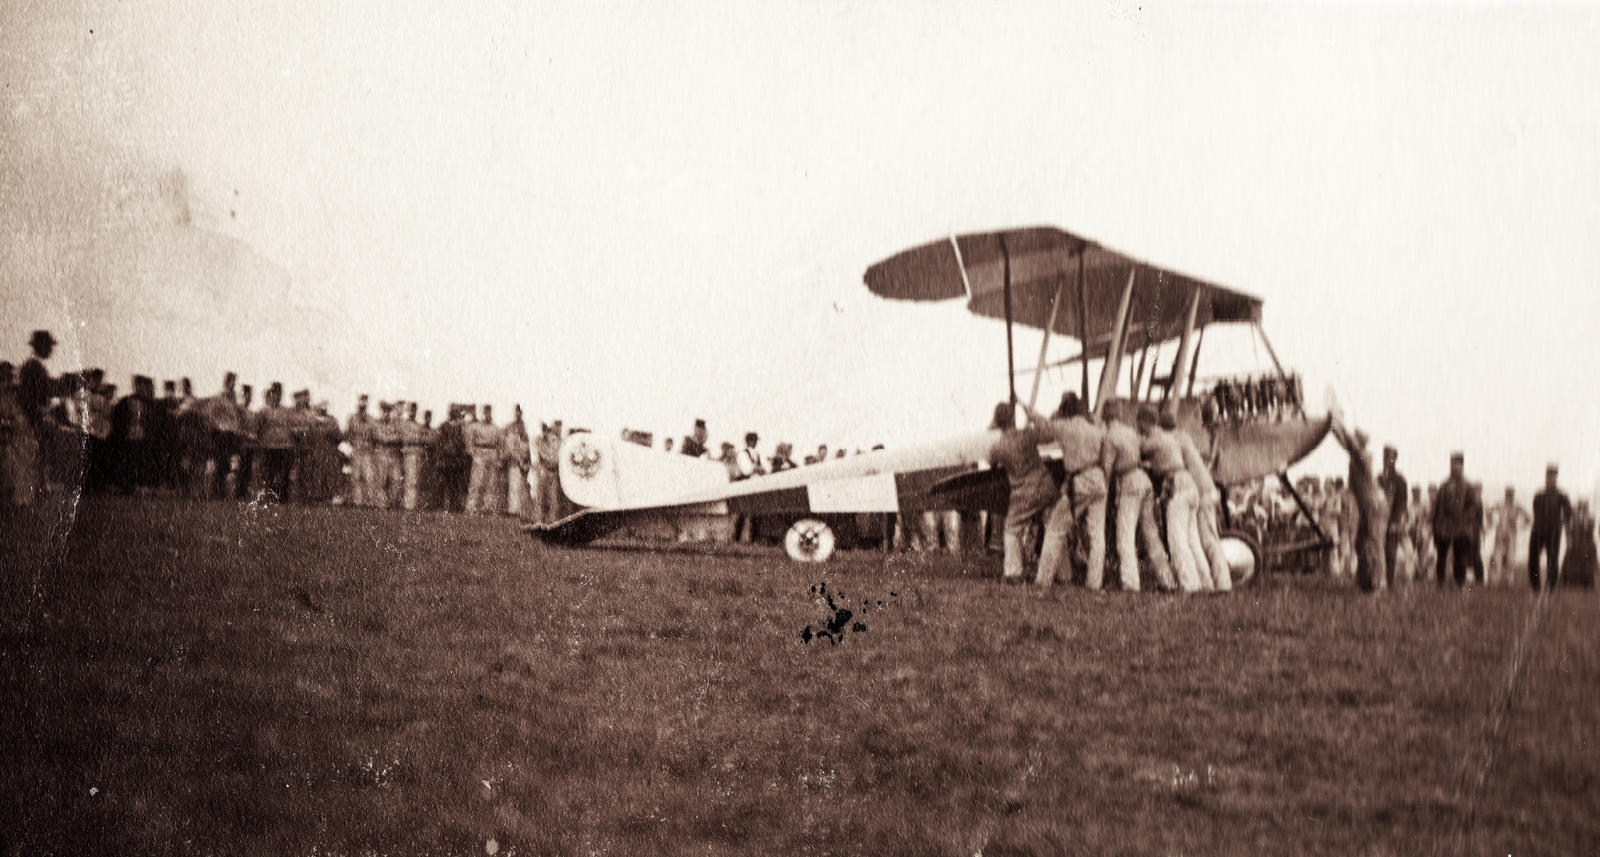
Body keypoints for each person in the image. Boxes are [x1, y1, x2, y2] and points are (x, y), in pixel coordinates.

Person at [1027, 392, 1105, 589]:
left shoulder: (1064, 427)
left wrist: (1032, 414)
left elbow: (1045, 430)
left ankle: (1043, 579)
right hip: (1098, 479)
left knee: (1054, 530)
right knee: (1097, 534)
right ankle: (1094, 583)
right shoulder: (1096, 430)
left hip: (1079, 481)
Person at [1100, 399, 1174, 591]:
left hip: (1129, 483)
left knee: (1124, 534)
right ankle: (1168, 581)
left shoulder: (1110, 436)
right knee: (1151, 535)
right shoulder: (1131, 432)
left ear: (1105, 417)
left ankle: (1130, 583)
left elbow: (1106, 470)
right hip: (1144, 480)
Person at [986, 401, 1057, 583]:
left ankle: (1013, 573)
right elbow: (1049, 432)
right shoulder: (1027, 435)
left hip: (1023, 493)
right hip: (1045, 486)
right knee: (1054, 527)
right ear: (1012, 419)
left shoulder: (998, 446)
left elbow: (990, 461)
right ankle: (1063, 574)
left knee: (1011, 529)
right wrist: (1028, 410)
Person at [1138, 406, 1208, 592]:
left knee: (1177, 539)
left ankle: (1190, 585)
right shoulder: (1169, 437)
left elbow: (1138, 450)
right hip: (1188, 483)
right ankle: (1205, 582)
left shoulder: (1153, 440)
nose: (1137, 426)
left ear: (1145, 422)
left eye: (1139, 422)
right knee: (1192, 540)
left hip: (1176, 484)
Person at [1167, 412, 1230, 592]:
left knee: (1208, 541)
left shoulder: (1173, 440)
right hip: (1205, 490)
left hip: (1202, 493)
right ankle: (1212, 583)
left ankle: (1223, 583)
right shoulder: (1183, 436)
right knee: (1201, 540)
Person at [1330, 417, 1389, 593]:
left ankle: (1379, 583)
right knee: (1360, 542)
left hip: (1374, 506)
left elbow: (1350, 445)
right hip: (1367, 506)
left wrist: (1339, 425)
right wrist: (1333, 427)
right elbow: (1346, 443)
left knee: (1374, 543)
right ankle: (1365, 581)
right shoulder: (1358, 457)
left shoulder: (1363, 456)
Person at [1432, 452, 1480, 587]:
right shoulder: (1444, 485)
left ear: (1462, 466)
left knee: (1460, 556)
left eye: (1456, 464)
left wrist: (1464, 520)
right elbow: (1437, 505)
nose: (1453, 467)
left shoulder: (1468, 486)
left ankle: (1460, 583)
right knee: (1441, 554)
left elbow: (1473, 507)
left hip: (1461, 527)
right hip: (1444, 526)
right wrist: (1436, 523)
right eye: (1452, 464)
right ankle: (1440, 582)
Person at [1529, 464, 1571, 591]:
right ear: (1546, 476)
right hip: (1538, 530)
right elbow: (1535, 512)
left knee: (1552, 558)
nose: (1551, 479)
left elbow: (1568, 514)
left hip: (1554, 531)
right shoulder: (1538, 495)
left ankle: (1551, 586)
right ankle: (1535, 586)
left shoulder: (1562, 496)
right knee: (1533, 558)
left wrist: (1565, 529)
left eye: (1553, 476)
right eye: (1549, 476)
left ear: (1556, 478)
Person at [1376, 445, 1408, 589]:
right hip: (1378, 521)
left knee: (1390, 552)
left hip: (1392, 521)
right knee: (1378, 551)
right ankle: (1378, 580)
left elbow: (1402, 503)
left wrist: (1396, 522)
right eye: (1384, 458)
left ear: (1395, 460)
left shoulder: (1400, 481)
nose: (1386, 461)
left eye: (1389, 458)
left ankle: (1389, 582)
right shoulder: (1378, 479)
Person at [1487, 487, 1530, 586]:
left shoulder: (1517, 505)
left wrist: (1520, 526)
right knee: (1497, 557)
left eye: (1511, 494)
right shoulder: (1500, 504)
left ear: (1513, 495)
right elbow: (1489, 511)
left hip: (1511, 534)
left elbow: (1528, 518)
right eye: (1508, 494)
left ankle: (1509, 582)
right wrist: (1492, 522)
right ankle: (1494, 582)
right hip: (1501, 533)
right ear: (1505, 494)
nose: (1509, 496)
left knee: (1511, 558)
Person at [465, 405, 504, 514]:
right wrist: (474, 454)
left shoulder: (496, 428)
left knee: (491, 483)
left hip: (492, 454)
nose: (487, 414)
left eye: (489, 412)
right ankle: (472, 506)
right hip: (479, 453)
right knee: (477, 482)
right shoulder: (475, 427)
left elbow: (500, 445)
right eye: (485, 412)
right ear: (482, 413)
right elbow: (469, 442)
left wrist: (498, 458)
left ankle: (488, 507)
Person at [436, 406, 471, 513]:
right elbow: (439, 442)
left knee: (457, 483)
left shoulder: (461, 426)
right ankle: (445, 505)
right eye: (453, 412)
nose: (454, 414)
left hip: (457, 459)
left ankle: (455, 506)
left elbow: (465, 441)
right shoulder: (443, 426)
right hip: (447, 458)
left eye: (456, 412)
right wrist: (441, 454)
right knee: (446, 483)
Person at [399, 402, 432, 511]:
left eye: (414, 410)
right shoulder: (403, 424)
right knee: (410, 479)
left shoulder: (418, 425)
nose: (413, 412)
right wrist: (419, 439)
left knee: (417, 479)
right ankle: (408, 504)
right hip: (409, 452)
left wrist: (421, 439)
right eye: (411, 410)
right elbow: (405, 438)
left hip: (419, 453)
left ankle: (414, 503)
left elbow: (428, 439)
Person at [503, 405, 533, 518]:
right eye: (516, 412)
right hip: (515, 463)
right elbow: (511, 449)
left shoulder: (525, 435)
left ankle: (522, 511)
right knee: (514, 487)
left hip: (524, 463)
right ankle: (513, 510)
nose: (519, 429)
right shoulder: (511, 434)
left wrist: (527, 463)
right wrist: (519, 461)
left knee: (523, 488)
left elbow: (529, 450)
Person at [535, 419, 563, 523]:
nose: (559, 429)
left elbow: (559, 456)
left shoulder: (559, 441)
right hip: (544, 469)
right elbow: (541, 453)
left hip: (554, 470)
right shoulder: (542, 439)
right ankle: (539, 518)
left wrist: (555, 463)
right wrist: (548, 462)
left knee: (553, 496)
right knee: (541, 495)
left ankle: (552, 518)